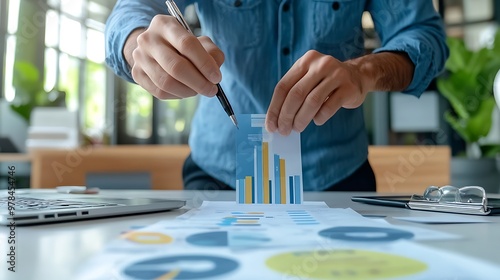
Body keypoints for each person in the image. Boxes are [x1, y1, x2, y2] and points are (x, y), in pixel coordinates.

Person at [105, 0, 448, 192]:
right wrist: (139, 43)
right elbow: (131, 10)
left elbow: (424, 35)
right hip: (219, 173)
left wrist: (364, 72)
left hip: (338, 175)